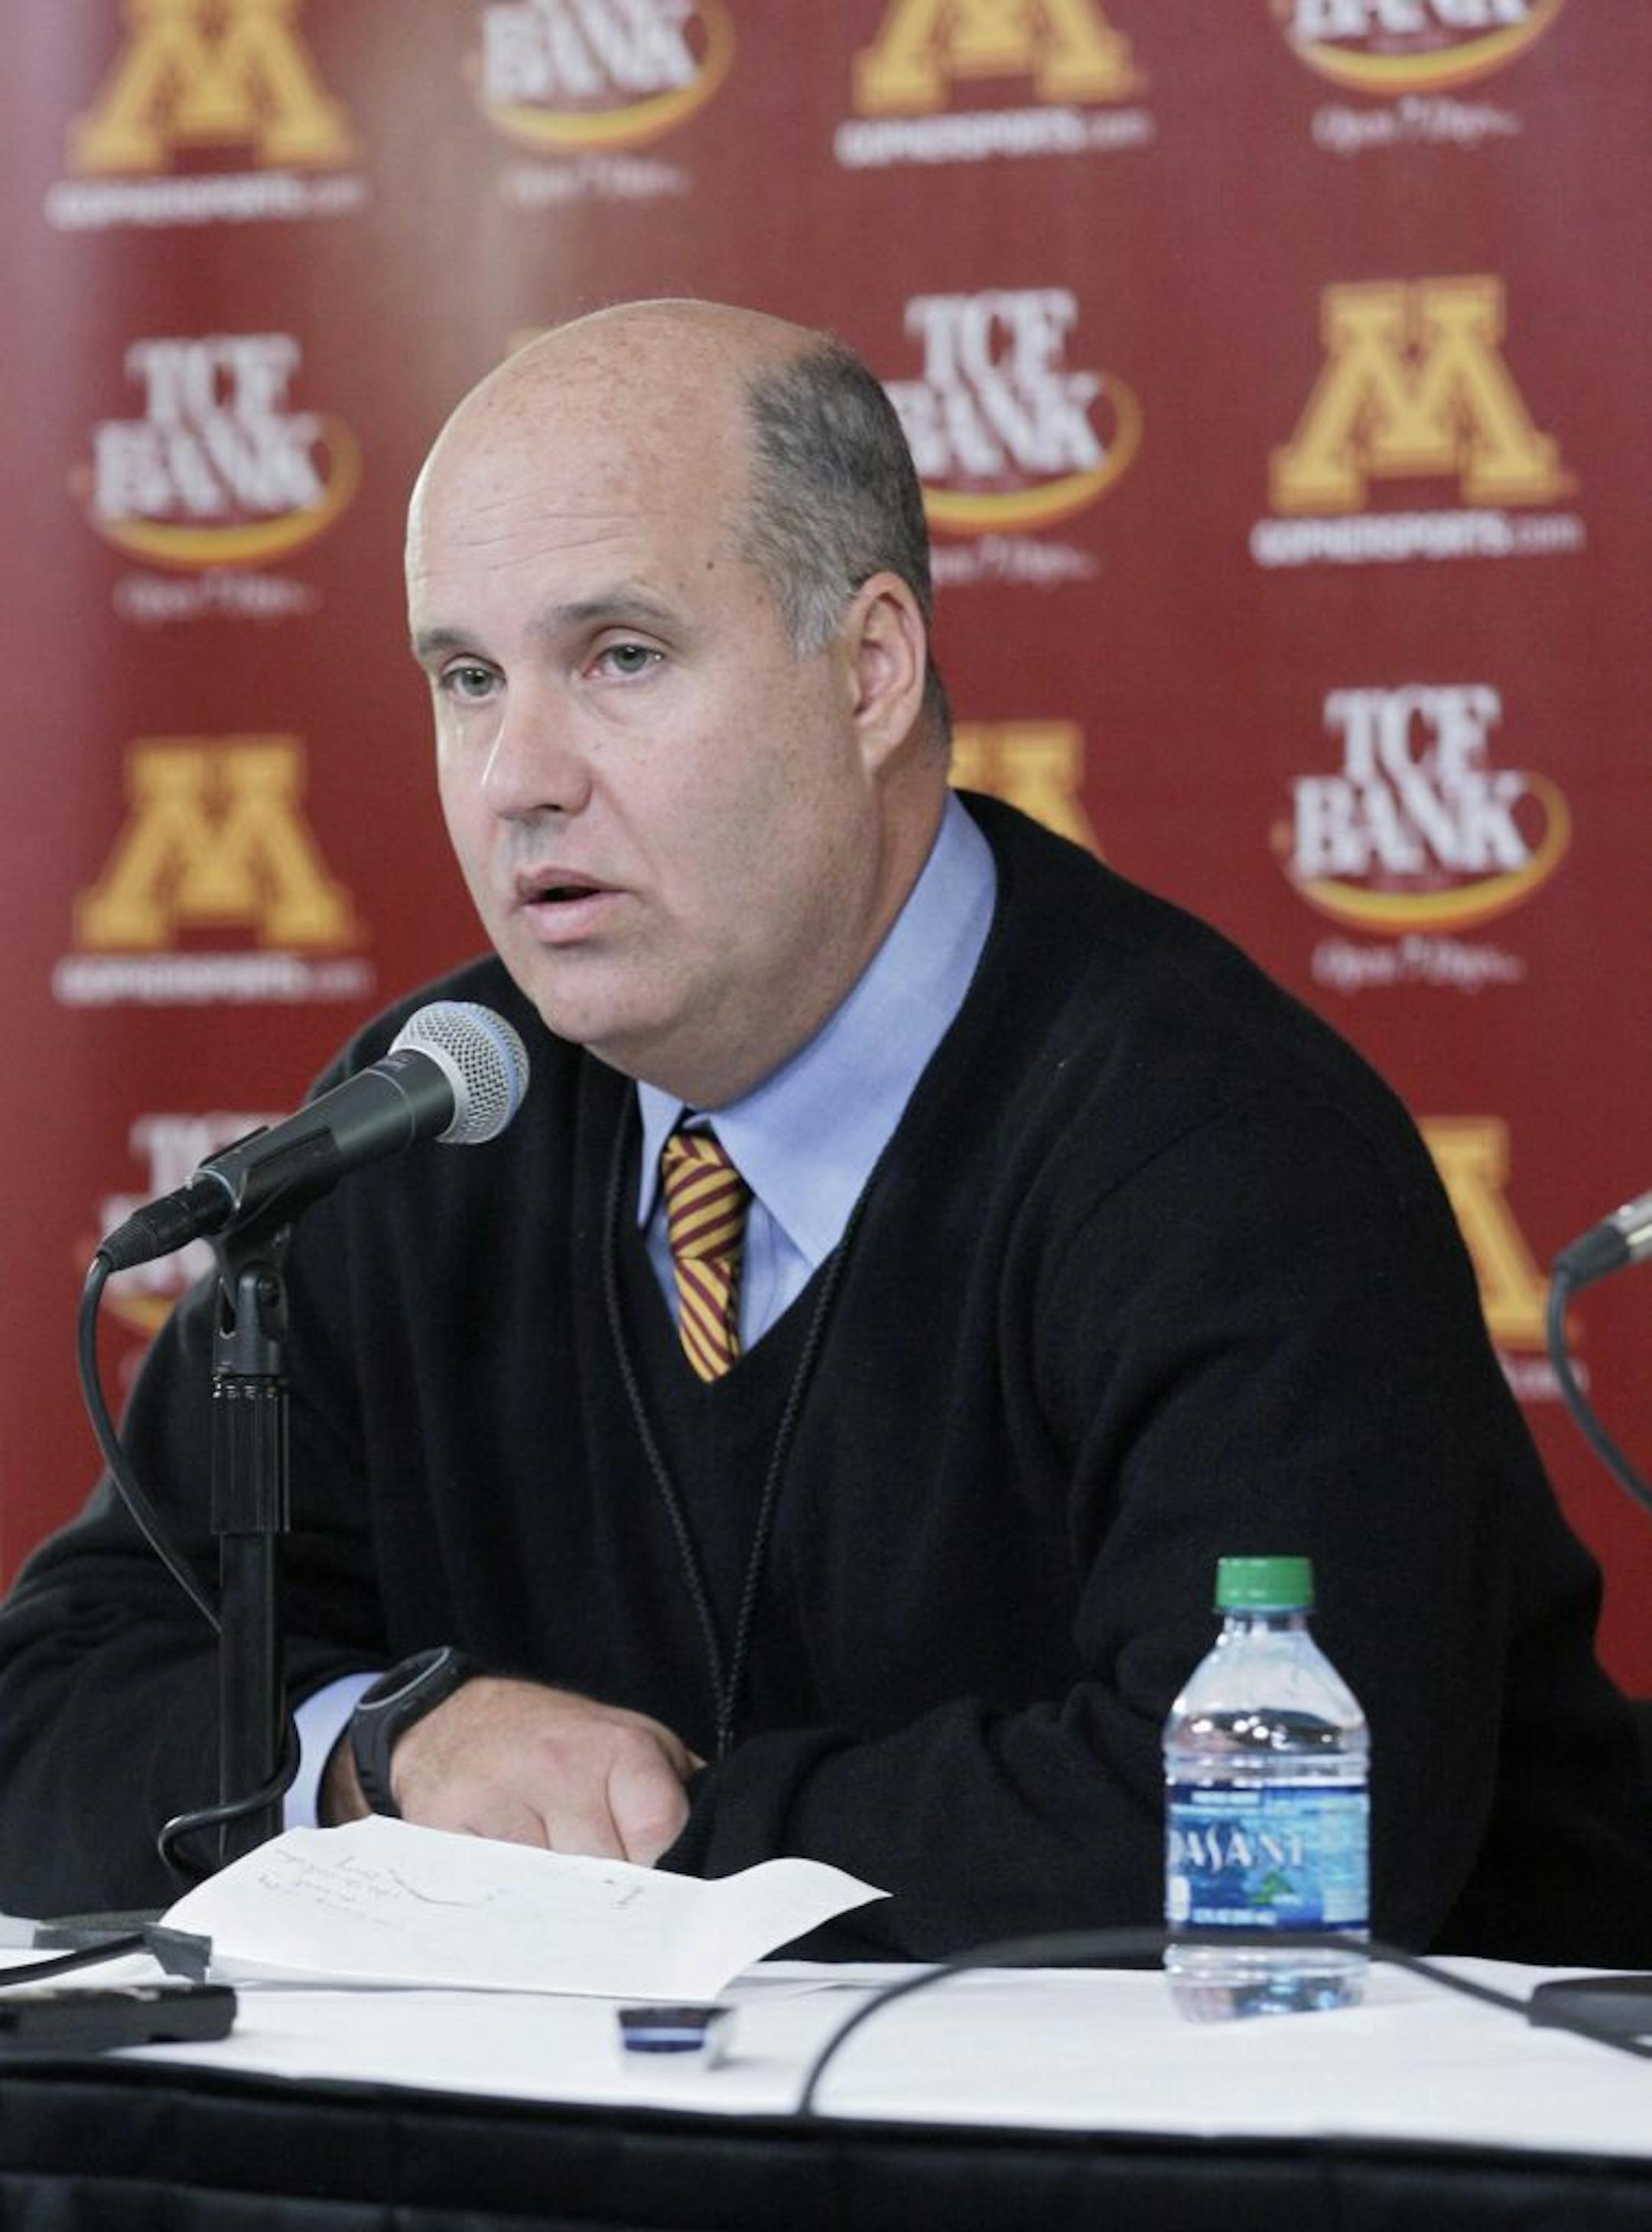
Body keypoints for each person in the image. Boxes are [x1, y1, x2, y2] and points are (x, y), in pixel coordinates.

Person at [0, 301, 1647, 1962]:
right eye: (467, 678)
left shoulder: (1220, 1151)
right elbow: (49, 1715)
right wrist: (384, 1759)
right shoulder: (429, 1125)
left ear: (870, 671)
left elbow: (1281, 1829)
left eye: (620, 658)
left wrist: (623, 1852)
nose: (518, 776)